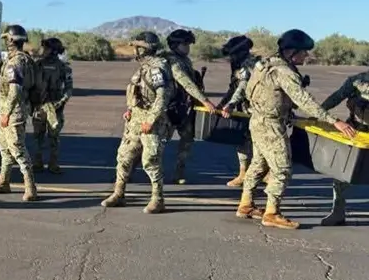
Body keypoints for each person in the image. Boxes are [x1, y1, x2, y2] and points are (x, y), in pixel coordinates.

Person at [238, 29, 355, 229]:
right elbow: (303, 100)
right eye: (303, 52)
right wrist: (334, 120)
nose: (306, 56)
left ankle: (246, 204)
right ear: (291, 51)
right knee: (282, 168)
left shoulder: (265, 64)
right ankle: (272, 213)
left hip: (257, 120)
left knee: (258, 163)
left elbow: (250, 91)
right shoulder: (284, 72)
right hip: (271, 124)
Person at [102, 31, 175, 213]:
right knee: (124, 156)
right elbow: (137, 91)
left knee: (151, 160)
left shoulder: (158, 68)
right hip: (135, 120)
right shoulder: (143, 67)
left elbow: (162, 96)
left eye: (136, 47)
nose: (134, 50)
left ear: (144, 49)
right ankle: (119, 193)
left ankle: (158, 199)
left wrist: (151, 120)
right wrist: (129, 110)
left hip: (153, 122)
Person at [0, 24, 39, 201]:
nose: (6, 42)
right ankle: (3, 182)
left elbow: (15, 90)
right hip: (8, 110)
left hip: (13, 111)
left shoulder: (16, 62)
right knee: (4, 149)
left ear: (12, 40)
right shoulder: (23, 59)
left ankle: (31, 187)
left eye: (7, 38)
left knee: (17, 149)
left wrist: (6, 113)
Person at [160, 29, 217, 184]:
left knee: (187, 140)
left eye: (188, 44)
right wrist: (205, 101)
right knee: (157, 143)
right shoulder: (172, 61)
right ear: (175, 45)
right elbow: (185, 82)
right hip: (168, 108)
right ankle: (140, 170)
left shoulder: (184, 60)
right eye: (185, 44)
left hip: (183, 107)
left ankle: (179, 172)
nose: (188, 47)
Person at [316, 69, 369, 226]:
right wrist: (320, 113)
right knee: (341, 172)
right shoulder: (358, 80)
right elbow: (337, 97)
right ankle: (338, 212)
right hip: (355, 131)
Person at [217, 35, 260, 186]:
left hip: (255, 110)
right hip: (246, 108)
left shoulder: (248, 65)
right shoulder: (239, 64)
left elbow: (242, 87)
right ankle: (245, 173)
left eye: (233, 54)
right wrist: (223, 103)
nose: (231, 57)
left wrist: (230, 104)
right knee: (243, 140)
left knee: (256, 142)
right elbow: (233, 86)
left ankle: (252, 175)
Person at [31, 37, 73, 174]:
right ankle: (37, 163)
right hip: (39, 106)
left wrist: (60, 103)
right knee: (38, 137)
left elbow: (68, 88)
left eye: (46, 48)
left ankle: (53, 164)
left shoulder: (63, 67)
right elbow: (30, 86)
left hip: (55, 109)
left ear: (53, 51)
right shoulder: (37, 65)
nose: (43, 51)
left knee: (53, 138)